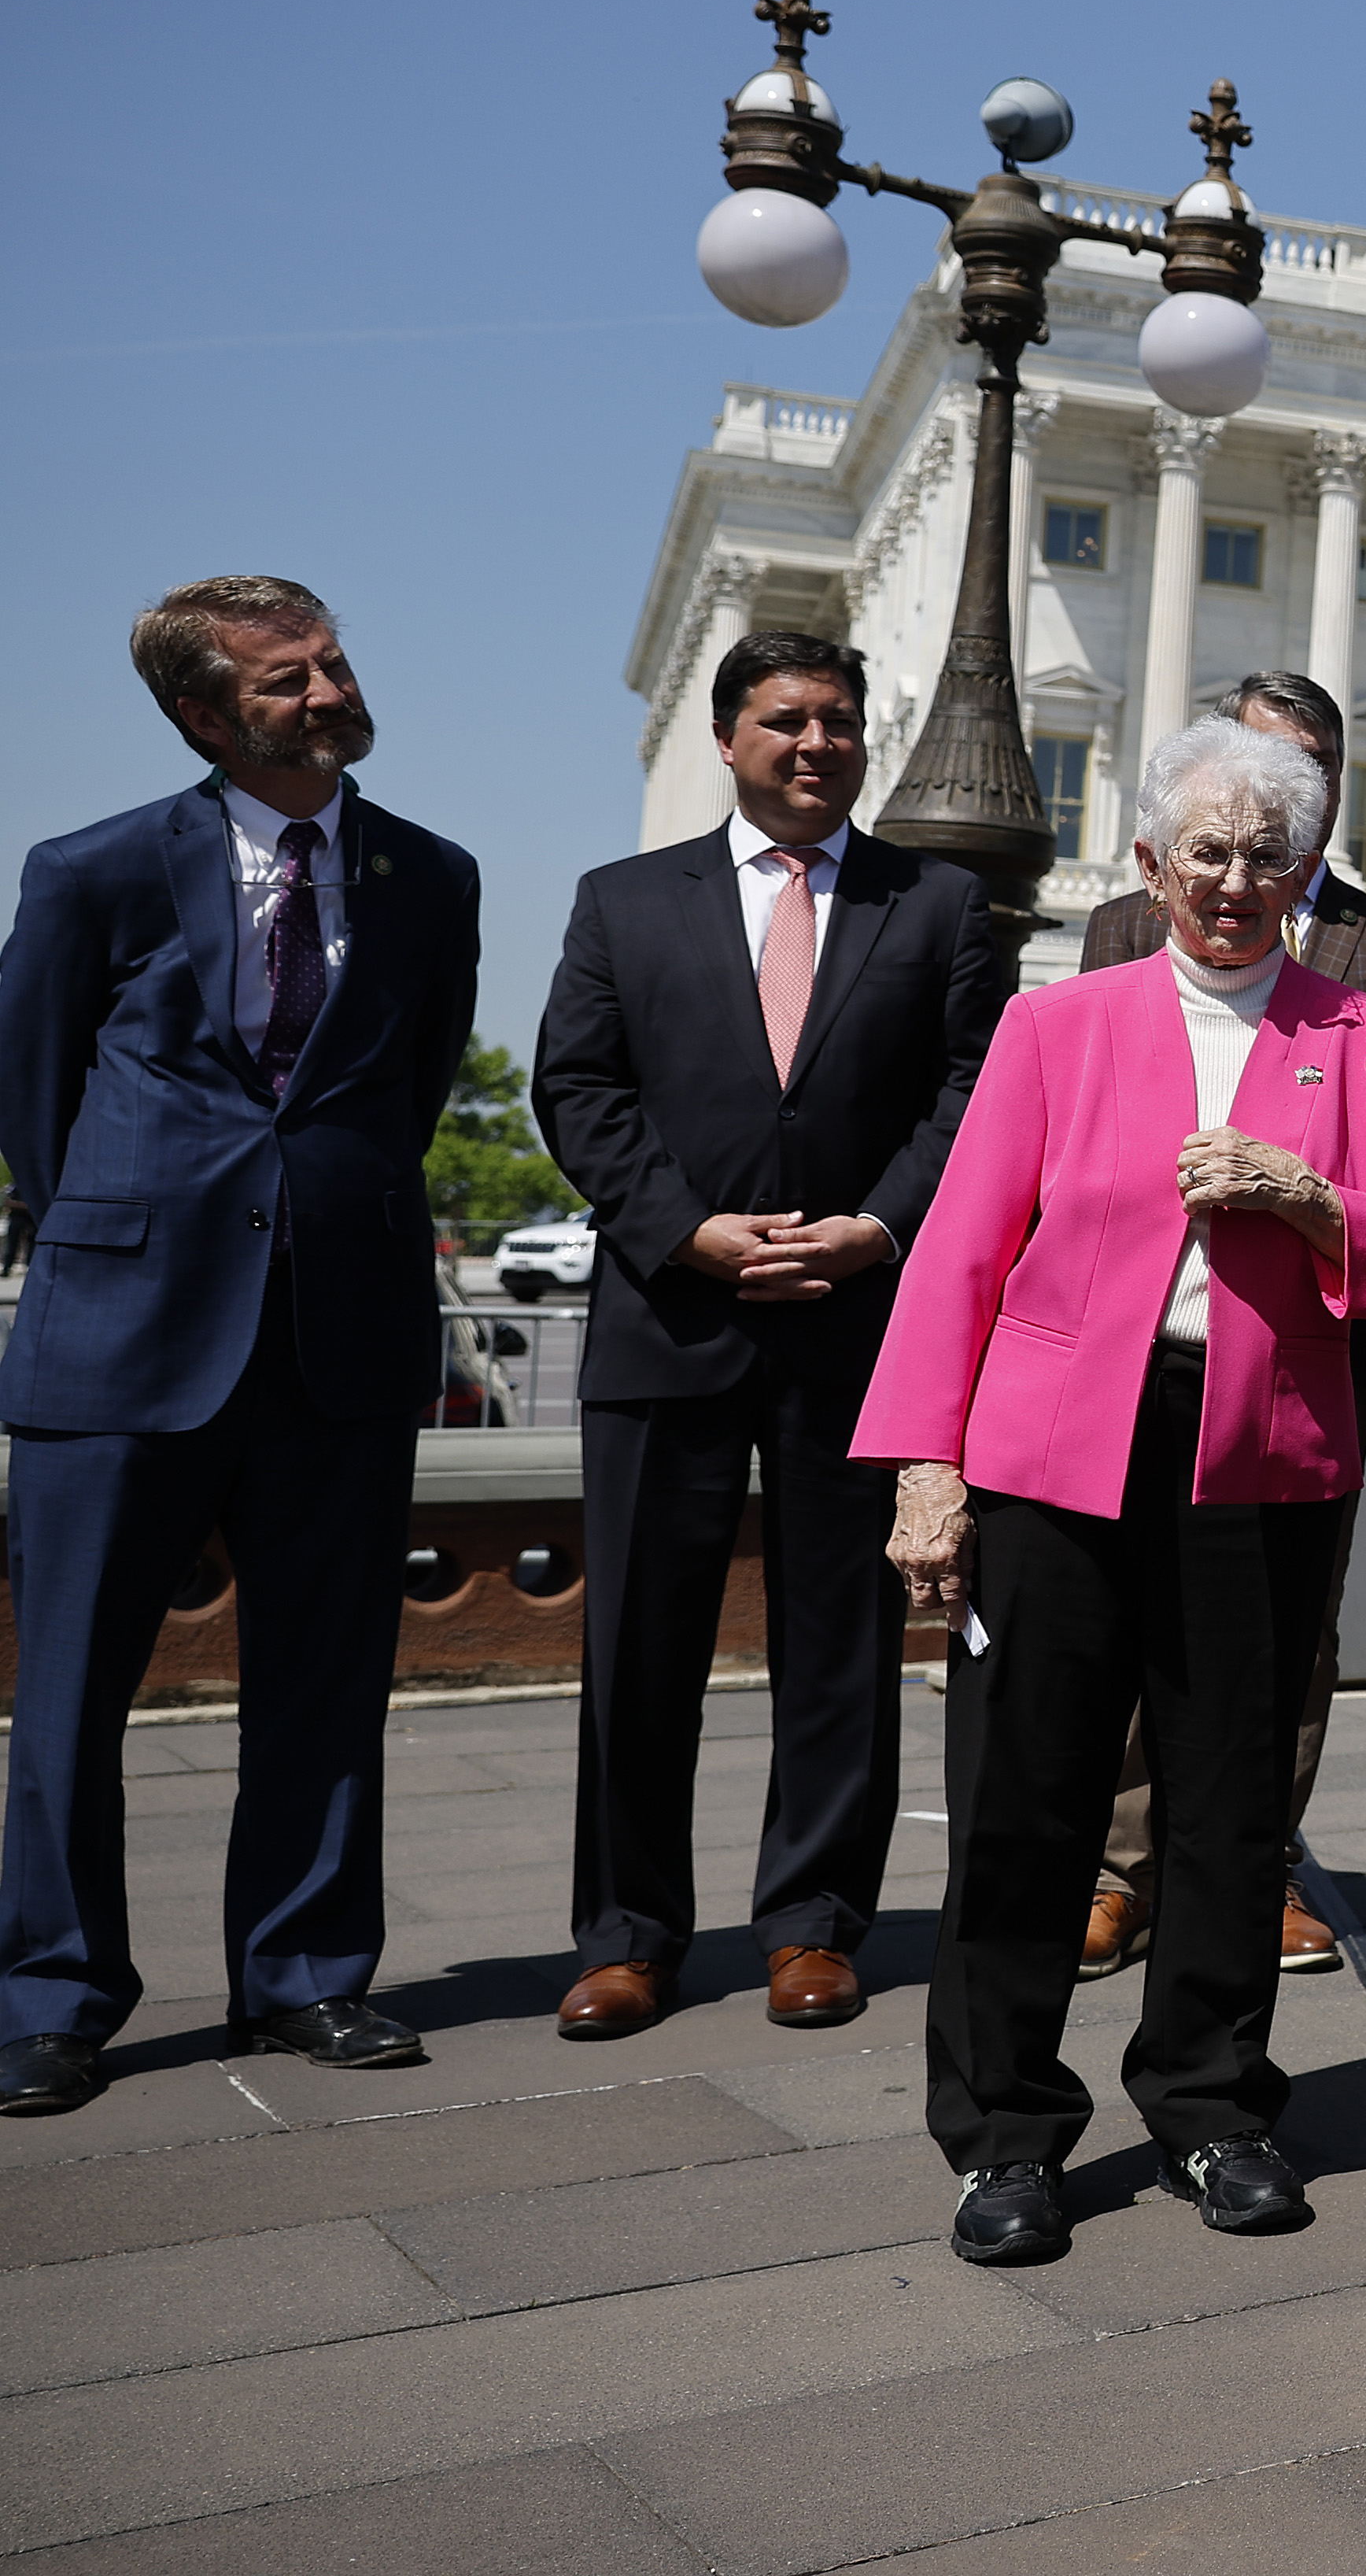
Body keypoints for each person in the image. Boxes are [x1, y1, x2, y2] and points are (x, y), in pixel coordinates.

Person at [855, 718, 1366, 2267]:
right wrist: (931, 1469)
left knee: (1231, 1796)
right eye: (1208, 850)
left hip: (1258, 1447)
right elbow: (962, 1253)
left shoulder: (1358, 1034)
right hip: (1058, 1446)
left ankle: (1211, 2103)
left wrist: (1313, 1198)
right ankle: (1003, 2128)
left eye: (1272, 854)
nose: (1238, 880)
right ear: (1149, 864)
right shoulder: (1062, 1026)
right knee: (1026, 1796)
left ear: (1309, 873)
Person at [0, 578, 480, 2112]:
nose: (330, 688)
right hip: (121, 1334)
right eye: (289, 678)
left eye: (334, 659)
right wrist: (127, 1227)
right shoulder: (93, 872)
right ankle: (51, 1993)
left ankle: (304, 1973)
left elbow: (403, 1098)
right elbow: (32, 1099)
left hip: (340, 1333)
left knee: (328, 1677)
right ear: (205, 712)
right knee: (69, 1686)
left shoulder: (432, 874)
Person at [531, 630, 1008, 2043]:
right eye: (788, 721)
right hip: (671, 1317)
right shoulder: (625, 903)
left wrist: (877, 1226)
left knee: (843, 1643)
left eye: (842, 723)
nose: (818, 745)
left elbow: (975, 1094)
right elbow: (579, 1088)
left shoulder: (939, 907)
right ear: (729, 738)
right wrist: (687, 1230)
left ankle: (814, 1925)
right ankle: (626, 1935)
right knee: (635, 1647)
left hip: (857, 1322)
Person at [1070, 672, 1366, 1985]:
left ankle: (1258, 1866)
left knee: (1292, 1645)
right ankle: (1123, 1873)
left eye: (1300, 777)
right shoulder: (1125, 924)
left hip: (1309, 1346)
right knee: (1131, 1630)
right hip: (1136, 1345)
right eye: (1239, 773)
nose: (1255, 824)